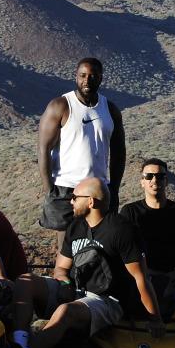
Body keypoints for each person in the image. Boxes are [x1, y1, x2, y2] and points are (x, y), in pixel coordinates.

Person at [9, 177, 163, 348]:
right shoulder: (75, 227)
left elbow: (140, 278)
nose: (71, 201)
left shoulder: (121, 230)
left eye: (75, 197)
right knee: (25, 281)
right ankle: (18, 344)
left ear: (91, 201)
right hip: (75, 291)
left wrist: (155, 318)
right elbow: (61, 268)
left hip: (107, 300)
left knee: (65, 311)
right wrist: (64, 283)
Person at [35, 58, 126, 232]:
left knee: (99, 240)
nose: (87, 80)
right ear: (76, 76)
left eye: (93, 76)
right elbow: (43, 148)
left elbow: (119, 152)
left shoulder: (110, 110)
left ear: (100, 78)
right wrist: (49, 189)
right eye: (83, 75)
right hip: (65, 188)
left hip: (98, 189)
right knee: (66, 242)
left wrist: (114, 188)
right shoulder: (61, 105)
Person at [117, 158, 175, 317]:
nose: (154, 180)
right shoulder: (130, 212)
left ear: (166, 181)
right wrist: (143, 274)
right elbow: (121, 250)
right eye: (149, 176)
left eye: (160, 176)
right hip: (142, 280)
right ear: (142, 182)